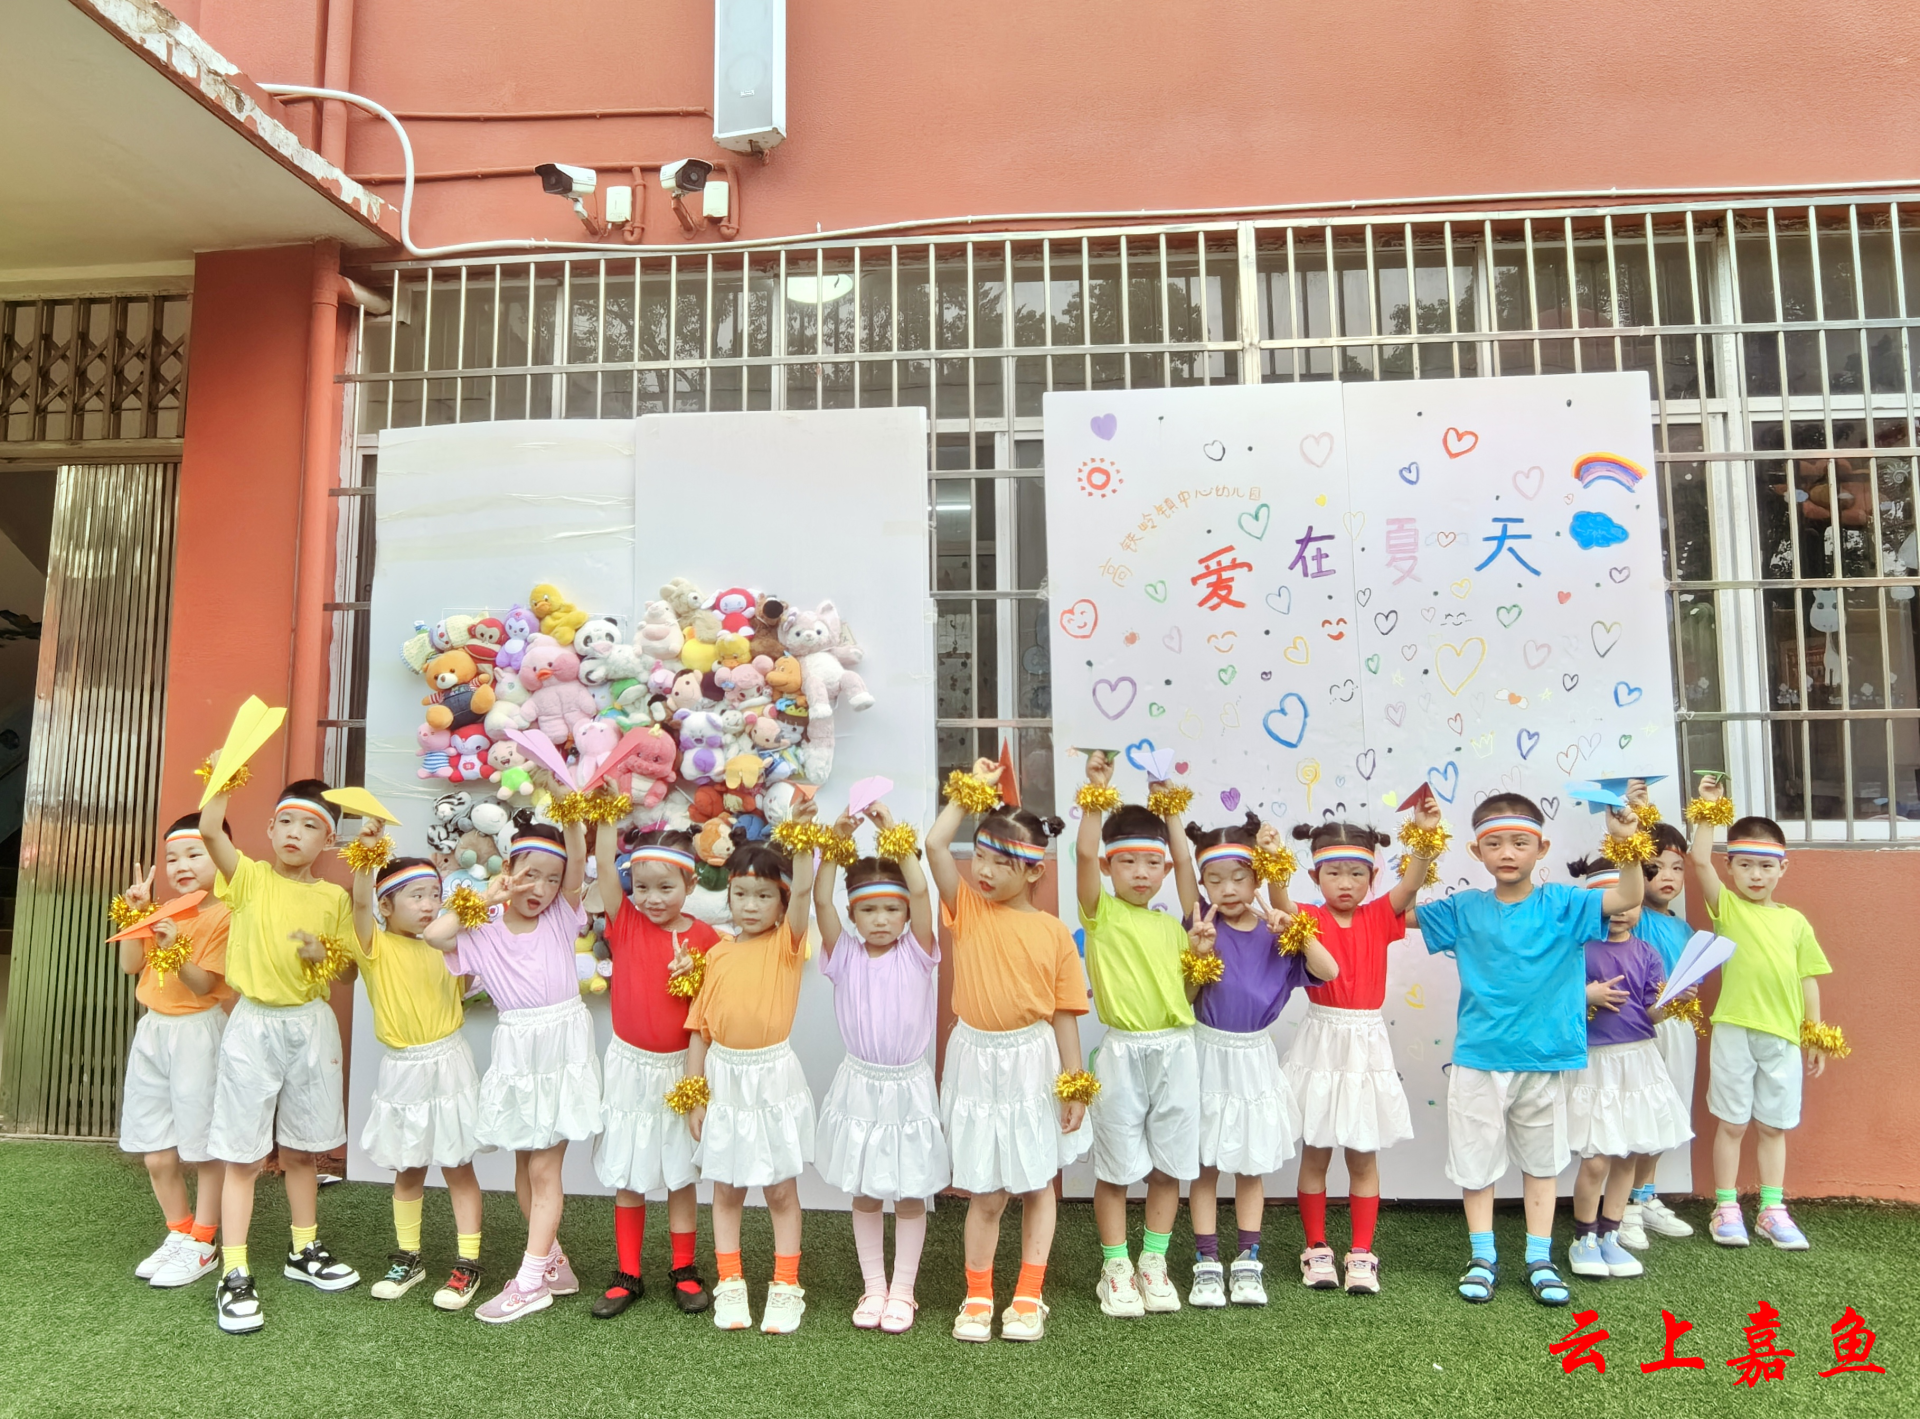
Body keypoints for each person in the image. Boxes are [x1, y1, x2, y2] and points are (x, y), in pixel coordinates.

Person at [1409, 791, 1647, 1307]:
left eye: (1520, 842)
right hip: (1479, 1060)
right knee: (1476, 1165)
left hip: (1545, 1058)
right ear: (1476, 852)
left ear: (1542, 848)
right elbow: (1399, 913)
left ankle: (1539, 1258)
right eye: (1494, 843)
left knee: (1542, 1165)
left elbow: (1628, 895)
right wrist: (1424, 846)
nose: (1507, 853)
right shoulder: (1464, 909)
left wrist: (1626, 843)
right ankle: (1483, 1257)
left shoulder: (1565, 904)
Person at [927, 757, 1089, 1344]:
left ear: (1035, 871)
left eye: (1002, 862)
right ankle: (977, 1295)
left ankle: (1028, 1294)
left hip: (1032, 1062)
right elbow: (934, 844)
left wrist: (1075, 1085)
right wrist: (971, 790)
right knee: (987, 1189)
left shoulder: (1052, 932)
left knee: (1038, 1182)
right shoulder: (966, 908)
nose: (986, 871)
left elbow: (1065, 1013)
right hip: (975, 1059)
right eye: (981, 857)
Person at [199, 776, 360, 1334]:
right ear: (269, 829)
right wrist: (222, 780)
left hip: (310, 1026)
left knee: (302, 1150)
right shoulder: (248, 878)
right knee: (242, 1155)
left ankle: (303, 1249)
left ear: (328, 841)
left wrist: (324, 954)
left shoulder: (334, 898)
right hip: (253, 1025)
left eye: (310, 825)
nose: (295, 832)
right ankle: (234, 1269)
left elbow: (347, 971)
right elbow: (209, 832)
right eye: (286, 821)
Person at [424, 816, 600, 1323]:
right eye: (530, 875)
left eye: (552, 879)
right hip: (519, 1051)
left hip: (561, 1048)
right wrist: (489, 897)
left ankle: (530, 1282)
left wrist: (571, 817)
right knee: (524, 1166)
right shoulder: (483, 926)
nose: (540, 888)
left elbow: (575, 858)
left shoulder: (562, 915)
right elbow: (434, 935)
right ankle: (554, 1264)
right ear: (508, 868)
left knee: (545, 1169)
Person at [1273, 805, 1441, 1296]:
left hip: (1366, 1043)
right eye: (1333, 873)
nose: (1345, 883)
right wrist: (1271, 859)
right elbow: (1278, 900)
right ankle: (1316, 1248)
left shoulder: (1380, 915)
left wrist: (1424, 839)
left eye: (1356, 873)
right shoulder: (1307, 918)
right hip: (1321, 1041)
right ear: (1314, 876)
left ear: (1372, 877)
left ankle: (1362, 1253)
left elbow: (1412, 883)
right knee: (1316, 1150)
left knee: (1363, 1154)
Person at [1179, 815, 1342, 1305]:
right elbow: (1185, 999)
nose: (1228, 889)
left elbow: (1329, 970)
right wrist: (1198, 956)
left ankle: (1248, 1260)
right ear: (1203, 883)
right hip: (1207, 1054)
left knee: (1250, 1166)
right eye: (1215, 880)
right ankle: (1207, 1261)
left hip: (1254, 1058)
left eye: (1239, 876)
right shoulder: (1200, 926)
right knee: (1205, 1164)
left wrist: (1297, 931)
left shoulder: (1278, 934)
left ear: (1257, 879)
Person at [678, 809, 819, 1334]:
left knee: (779, 1189)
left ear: (781, 902)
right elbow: (700, 1030)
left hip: (772, 1077)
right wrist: (694, 1094)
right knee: (728, 1188)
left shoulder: (787, 944)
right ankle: (730, 1283)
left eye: (764, 896)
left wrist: (801, 840)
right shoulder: (717, 955)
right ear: (729, 896)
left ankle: (786, 1286)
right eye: (741, 894)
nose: (751, 905)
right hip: (724, 1080)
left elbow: (804, 891)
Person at [812, 800, 947, 1334]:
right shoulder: (843, 953)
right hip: (860, 1087)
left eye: (892, 909)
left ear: (907, 914)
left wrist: (896, 837)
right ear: (853, 915)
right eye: (869, 911)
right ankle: (874, 1287)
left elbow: (923, 891)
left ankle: (904, 1291)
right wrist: (834, 844)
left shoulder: (917, 950)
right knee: (865, 1189)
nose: (883, 919)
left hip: (908, 1086)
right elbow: (820, 897)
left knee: (911, 1192)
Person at [1686, 777, 1837, 1251]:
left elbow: (1808, 978)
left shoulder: (1796, 922)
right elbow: (1697, 859)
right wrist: (1709, 809)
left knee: (1773, 1125)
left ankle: (1773, 1209)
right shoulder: (1727, 908)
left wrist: (1813, 1034)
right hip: (1734, 1029)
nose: (1756, 875)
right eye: (1746, 864)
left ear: (1782, 868)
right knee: (1732, 1124)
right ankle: (1726, 1207)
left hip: (1783, 1037)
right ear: (1730, 867)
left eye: (1766, 866)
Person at [1073, 753, 1198, 1319]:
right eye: (1127, 863)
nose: (1141, 873)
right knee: (1117, 1166)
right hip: (1122, 1052)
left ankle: (1153, 1262)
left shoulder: (1176, 926)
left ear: (1165, 870)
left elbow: (1186, 996)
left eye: (1152, 863)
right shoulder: (1100, 913)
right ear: (1108, 867)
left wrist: (1169, 809)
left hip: (1176, 1049)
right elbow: (1082, 853)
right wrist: (1097, 795)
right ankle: (1116, 1267)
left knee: (1169, 1165)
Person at [346, 832, 487, 1311]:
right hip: (403, 1069)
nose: (429, 905)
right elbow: (359, 903)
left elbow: (470, 978)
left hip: (450, 1063)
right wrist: (367, 857)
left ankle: (468, 1263)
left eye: (434, 895)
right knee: (408, 1167)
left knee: (458, 1165)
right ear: (386, 906)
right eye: (416, 896)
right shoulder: (374, 946)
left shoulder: (448, 946)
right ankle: (409, 1256)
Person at [589, 823, 717, 1320]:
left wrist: (698, 973)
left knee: (681, 1173)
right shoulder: (624, 922)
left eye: (665, 887)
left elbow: (709, 1011)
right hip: (630, 1069)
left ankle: (683, 1268)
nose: (652, 898)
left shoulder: (706, 938)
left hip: (681, 1069)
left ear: (690, 883)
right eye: (641, 887)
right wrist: (605, 819)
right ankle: (628, 1273)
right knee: (629, 1170)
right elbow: (604, 867)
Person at [116, 816, 234, 1290]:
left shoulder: (225, 914)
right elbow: (130, 966)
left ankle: (204, 1240)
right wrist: (137, 916)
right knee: (156, 1151)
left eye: (194, 854)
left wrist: (174, 947)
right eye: (172, 858)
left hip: (197, 1033)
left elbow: (205, 985)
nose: (181, 865)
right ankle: (180, 1231)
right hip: (153, 1031)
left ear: (219, 855)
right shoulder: (162, 909)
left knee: (203, 1145)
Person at [1562, 859, 1692, 1283]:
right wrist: (1585, 996)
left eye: (1627, 902)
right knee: (1596, 1159)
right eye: (1608, 902)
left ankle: (1610, 1234)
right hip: (1596, 1064)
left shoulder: (1647, 953)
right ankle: (1583, 1237)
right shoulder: (1576, 949)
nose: (1619, 911)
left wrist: (1671, 1002)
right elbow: (1553, 1003)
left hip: (1639, 1061)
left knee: (1628, 1154)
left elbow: (1650, 1014)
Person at [1622, 821, 1698, 1247]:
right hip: (1641, 1026)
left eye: (1676, 867)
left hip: (1680, 1026)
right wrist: (1634, 815)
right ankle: (1624, 1206)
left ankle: (1644, 1195)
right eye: (1655, 867)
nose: (1667, 876)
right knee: (1641, 1112)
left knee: (1669, 1111)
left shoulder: (1683, 928)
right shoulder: (1635, 917)